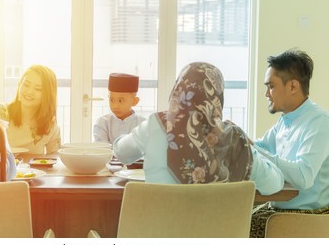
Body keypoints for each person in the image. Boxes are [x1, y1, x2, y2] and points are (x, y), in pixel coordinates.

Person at [113, 62, 284, 194]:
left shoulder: (156, 124)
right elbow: (274, 185)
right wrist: (247, 145)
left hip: (161, 233)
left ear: (177, 91)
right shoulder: (234, 140)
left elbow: (122, 152)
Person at [250, 49, 329, 237]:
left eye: (270, 86)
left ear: (293, 86)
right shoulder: (285, 121)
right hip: (279, 210)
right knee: (234, 220)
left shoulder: (320, 122)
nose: (266, 94)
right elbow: (260, 147)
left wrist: (252, 150)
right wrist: (237, 139)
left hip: (307, 216)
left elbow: (303, 176)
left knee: (236, 228)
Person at [0, 65, 61, 154]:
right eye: (26, 85)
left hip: (33, 168)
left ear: (47, 95)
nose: (29, 92)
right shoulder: (1, 112)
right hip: (2, 167)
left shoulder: (50, 124)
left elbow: (55, 157)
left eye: (38, 89)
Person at [93, 73, 146, 144]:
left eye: (121, 101)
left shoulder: (142, 124)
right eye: (111, 100)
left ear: (134, 101)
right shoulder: (102, 122)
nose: (115, 106)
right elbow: (101, 149)